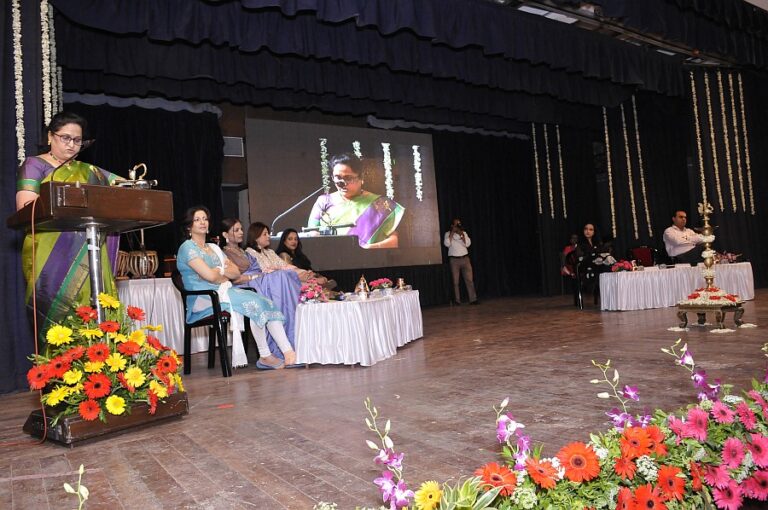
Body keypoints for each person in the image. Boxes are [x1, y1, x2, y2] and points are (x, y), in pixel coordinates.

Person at [16, 111, 120, 350]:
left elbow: (124, 187)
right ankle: (59, 368)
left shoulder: (89, 171)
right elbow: (25, 208)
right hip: (49, 255)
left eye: (77, 140)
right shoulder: (34, 165)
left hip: (88, 250)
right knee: (56, 321)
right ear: (50, 137)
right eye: (66, 138)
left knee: (93, 314)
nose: (72, 145)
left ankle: (99, 363)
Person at [177, 207, 296, 370]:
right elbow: (210, 276)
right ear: (188, 226)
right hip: (205, 298)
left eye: (205, 218)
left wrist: (218, 272)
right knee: (254, 304)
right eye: (197, 219)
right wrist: (222, 272)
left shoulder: (213, 248)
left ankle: (286, 352)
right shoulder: (187, 247)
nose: (202, 222)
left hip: (224, 292)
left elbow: (234, 273)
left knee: (265, 301)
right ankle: (267, 355)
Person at [220, 218, 301, 361]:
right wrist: (255, 276)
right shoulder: (225, 253)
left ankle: (292, 339)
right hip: (245, 286)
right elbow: (234, 279)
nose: (241, 232)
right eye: (236, 230)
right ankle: (274, 351)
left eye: (241, 229)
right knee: (277, 279)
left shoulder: (242, 251)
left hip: (258, 280)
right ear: (225, 234)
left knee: (282, 277)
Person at [307, 153, 405, 248]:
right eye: (338, 177)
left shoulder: (380, 204)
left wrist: (368, 248)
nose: (342, 183)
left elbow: (394, 241)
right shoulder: (323, 201)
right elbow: (311, 233)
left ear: (361, 177)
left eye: (348, 178)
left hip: (369, 256)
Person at [245, 222, 328, 286]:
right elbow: (263, 272)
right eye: (265, 234)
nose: (268, 236)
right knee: (304, 283)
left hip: (282, 279)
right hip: (270, 283)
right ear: (256, 237)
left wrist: (303, 272)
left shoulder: (270, 252)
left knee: (300, 276)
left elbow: (285, 266)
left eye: (296, 239)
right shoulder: (250, 253)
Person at [444, 218, 478, 305]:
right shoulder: (447, 234)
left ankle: (473, 299)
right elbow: (447, 244)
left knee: (469, 280)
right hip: (454, 260)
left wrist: (461, 235)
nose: (458, 226)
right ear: (452, 225)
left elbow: (468, 244)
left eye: (459, 224)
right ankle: (457, 300)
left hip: (465, 259)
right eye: (456, 224)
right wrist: (452, 233)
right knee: (456, 282)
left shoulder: (464, 233)